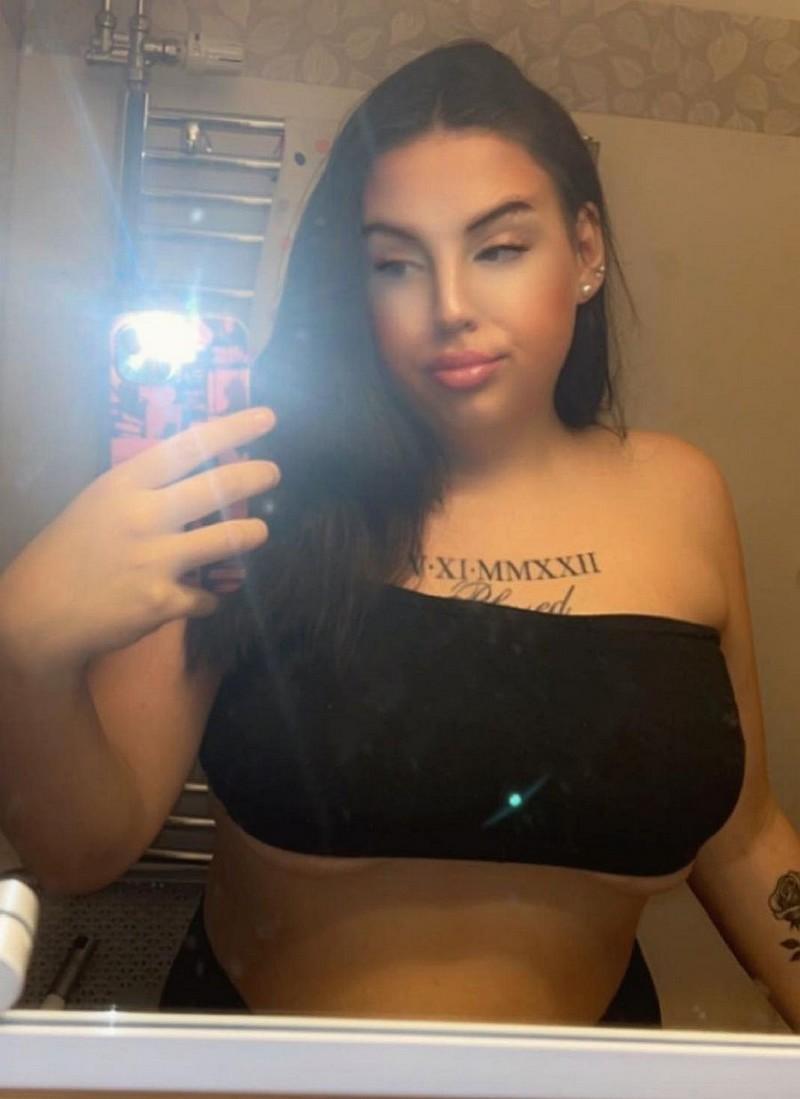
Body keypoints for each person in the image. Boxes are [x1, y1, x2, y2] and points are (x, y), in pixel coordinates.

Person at [1, 39, 799, 1030]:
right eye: (395, 263)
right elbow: (85, 848)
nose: (450, 308)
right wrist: (23, 649)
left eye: (498, 249)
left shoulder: (681, 494)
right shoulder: (255, 488)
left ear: (585, 250)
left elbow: (742, 835)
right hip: (267, 1086)